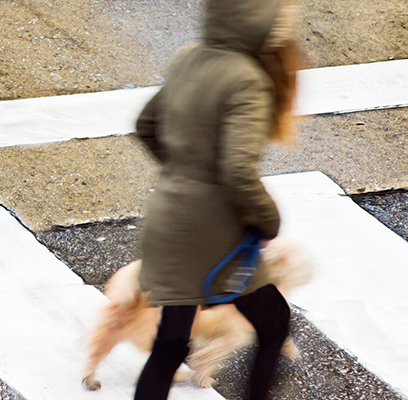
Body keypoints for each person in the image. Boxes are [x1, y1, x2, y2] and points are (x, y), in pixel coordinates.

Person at [131, 0, 303, 399]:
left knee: (171, 343)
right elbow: (237, 171)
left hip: (168, 214)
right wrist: (268, 219)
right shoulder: (248, 80)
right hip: (213, 231)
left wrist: (183, 174)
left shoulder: (191, 59)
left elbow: (145, 126)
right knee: (274, 323)